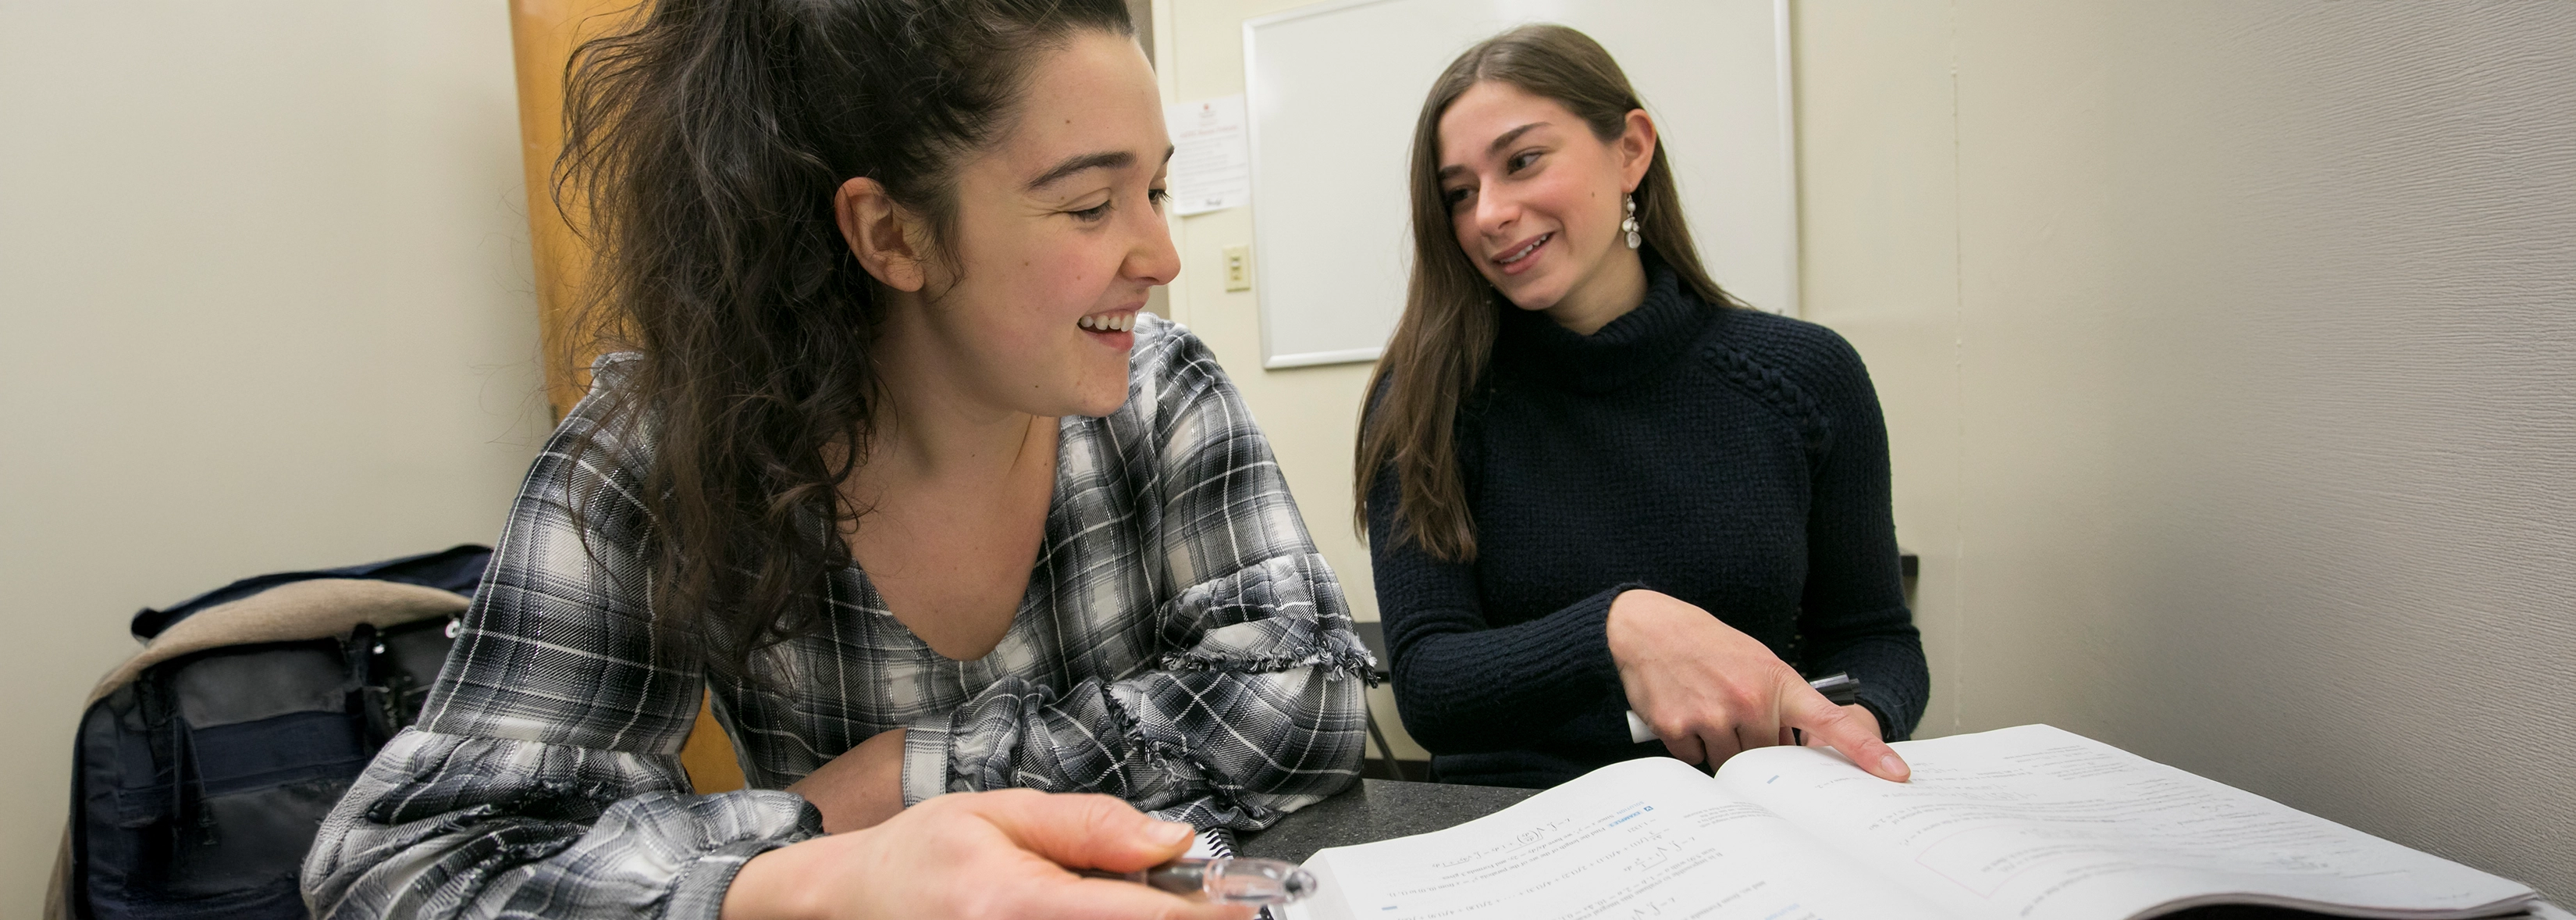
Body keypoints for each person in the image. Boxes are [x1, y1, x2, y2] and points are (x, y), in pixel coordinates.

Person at [301, 1, 1368, 917]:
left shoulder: (1162, 388)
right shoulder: (666, 450)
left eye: (1158, 191)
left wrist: (893, 777)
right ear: (891, 234)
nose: (1161, 255)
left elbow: (1305, 701)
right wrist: (816, 877)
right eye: (1092, 206)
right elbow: (404, 867)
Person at [1355, 24, 1927, 790]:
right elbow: (1429, 682)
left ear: (1631, 150)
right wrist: (1618, 629)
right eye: (1460, 193)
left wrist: (1863, 720)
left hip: (1759, 810)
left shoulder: (1808, 378)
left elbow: (1876, 638)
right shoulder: (1425, 400)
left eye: (1523, 161)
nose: (1489, 213)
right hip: (1514, 821)